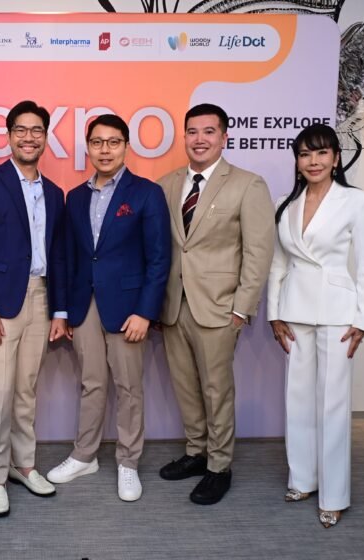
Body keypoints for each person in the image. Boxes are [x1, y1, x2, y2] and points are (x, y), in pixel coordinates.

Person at [45, 114, 170, 501]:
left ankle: (128, 461)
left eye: (113, 142)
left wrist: (145, 312)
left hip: (129, 309)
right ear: (88, 147)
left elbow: (159, 258)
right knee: (91, 383)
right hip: (85, 305)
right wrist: (63, 309)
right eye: (97, 142)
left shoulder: (146, 193)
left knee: (129, 387)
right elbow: (67, 257)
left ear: (126, 147)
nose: (105, 150)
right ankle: (85, 455)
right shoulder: (75, 197)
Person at [156, 103, 275, 505]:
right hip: (173, 306)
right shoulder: (167, 184)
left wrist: (242, 308)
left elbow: (258, 252)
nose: (199, 139)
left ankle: (219, 466)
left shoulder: (247, 184)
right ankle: (196, 452)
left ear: (224, 137)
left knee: (216, 390)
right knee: (185, 387)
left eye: (209, 131)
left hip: (220, 308)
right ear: (184, 136)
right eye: (192, 131)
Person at [267, 123, 364, 528]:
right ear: (297, 161)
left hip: (337, 313)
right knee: (297, 400)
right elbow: (278, 263)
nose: (313, 161)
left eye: (321, 153)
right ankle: (303, 479)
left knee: (332, 405)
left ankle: (334, 495)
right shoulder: (285, 203)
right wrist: (274, 313)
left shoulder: (355, 201)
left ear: (335, 158)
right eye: (304, 154)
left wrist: (362, 320)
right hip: (295, 311)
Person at [0, 100, 68, 517]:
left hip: (41, 297)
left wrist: (60, 310)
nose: (29, 137)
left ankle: (23, 464)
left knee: (26, 389)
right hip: (0, 301)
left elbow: (57, 255)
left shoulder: (55, 193)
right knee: (0, 391)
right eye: (21, 130)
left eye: (36, 130)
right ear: (8, 136)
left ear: (45, 137)